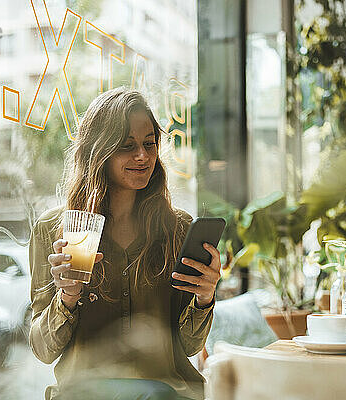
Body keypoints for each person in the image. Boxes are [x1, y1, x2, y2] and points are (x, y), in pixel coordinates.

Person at [28, 87, 220, 400]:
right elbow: (42, 349)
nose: (142, 156)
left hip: (166, 392)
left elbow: (188, 346)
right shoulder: (54, 230)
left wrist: (204, 299)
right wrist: (67, 297)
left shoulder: (178, 228)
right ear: (99, 150)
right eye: (126, 146)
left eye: (149, 143)